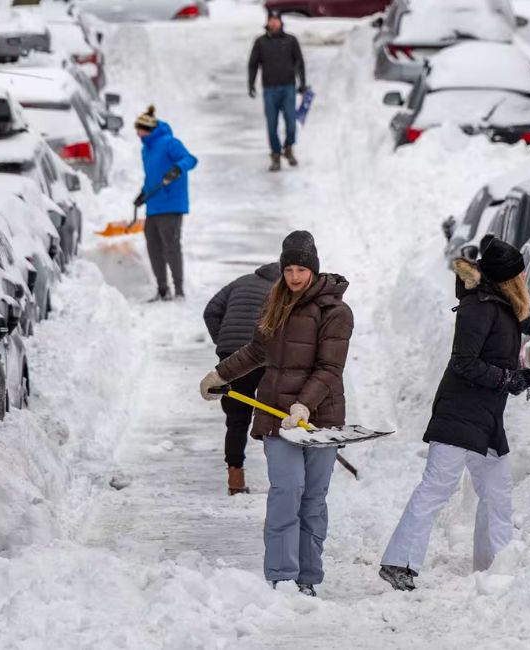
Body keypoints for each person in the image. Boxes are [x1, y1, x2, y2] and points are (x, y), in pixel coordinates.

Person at [378, 235, 530, 591]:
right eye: (521, 275)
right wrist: (507, 378)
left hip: (485, 417)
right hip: (459, 412)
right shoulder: (478, 308)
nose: (525, 280)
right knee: (437, 487)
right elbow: (463, 363)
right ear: (507, 279)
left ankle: (495, 564)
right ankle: (398, 562)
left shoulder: (504, 303)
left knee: (497, 491)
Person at [199, 231, 353, 596]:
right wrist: (220, 374)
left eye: (302, 269)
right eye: (290, 270)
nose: (295, 277)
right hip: (276, 417)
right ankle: (282, 576)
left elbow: (330, 368)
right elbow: (256, 351)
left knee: (313, 501)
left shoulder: (336, 311)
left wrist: (305, 405)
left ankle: (308, 578)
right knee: (287, 491)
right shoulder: (275, 303)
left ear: (313, 270)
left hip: (320, 421)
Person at [203, 262, 281, 495]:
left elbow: (211, 311)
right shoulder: (281, 291)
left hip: (231, 356)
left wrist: (224, 343)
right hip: (263, 356)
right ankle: (282, 477)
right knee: (275, 413)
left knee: (237, 417)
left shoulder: (241, 281)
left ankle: (235, 477)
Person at [135, 106, 198, 302]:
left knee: (171, 247)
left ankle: (179, 289)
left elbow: (190, 159)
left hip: (171, 204)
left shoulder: (170, 142)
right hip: (153, 205)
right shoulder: (146, 148)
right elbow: (151, 177)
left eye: (140, 129)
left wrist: (177, 169)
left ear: (148, 129)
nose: (137, 133)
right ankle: (163, 289)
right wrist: (143, 194)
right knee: (153, 247)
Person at [247, 11, 307, 172]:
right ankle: (275, 154)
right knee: (272, 124)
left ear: (281, 22)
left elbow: (299, 62)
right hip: (270, 89)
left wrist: (302, 83)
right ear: (268, 23)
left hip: (288, 88)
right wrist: (251, 84)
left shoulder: (291, 41)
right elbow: (253, 64)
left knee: (291, 123)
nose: (274, 23)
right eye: (271, 21)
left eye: (276, 21)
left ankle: (288, 147)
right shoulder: (260, 42)